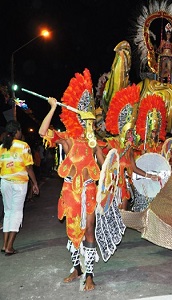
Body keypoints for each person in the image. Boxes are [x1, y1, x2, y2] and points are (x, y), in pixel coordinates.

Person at [38, 69, 104, 291]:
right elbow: (42, 131)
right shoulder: (67, 138)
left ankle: (89, 274)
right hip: (69, 190)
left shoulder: (95, 141)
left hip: (89, 189)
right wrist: (53, 108)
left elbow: (104, 164)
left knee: (89, 228)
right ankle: (77, 268)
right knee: (72, 230)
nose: (88, 122)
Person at [0, 120, 39, 255]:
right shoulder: (23, 146)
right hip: (19, 183)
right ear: (17, 131)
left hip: (5, 182)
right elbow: (28, 167)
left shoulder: (2, 147)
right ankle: (10, 246)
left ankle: (5, 245)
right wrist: (34, 183)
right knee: (16, 213)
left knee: (8, 213)